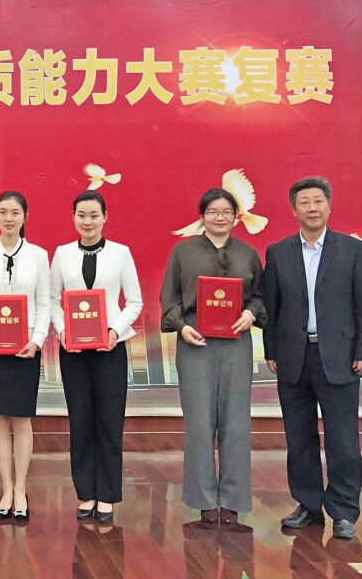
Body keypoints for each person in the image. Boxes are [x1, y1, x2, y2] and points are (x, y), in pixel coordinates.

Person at [262, 176, 362, 540]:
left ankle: (344, 511)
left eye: (318, 201)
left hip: (341, 357)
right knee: (299, 437)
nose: (312, 208)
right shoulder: (278, 252)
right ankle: (308, 505)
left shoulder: (353, 250)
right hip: (293, 358)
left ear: (329, 206)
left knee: (343, 439)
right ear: (294, 210)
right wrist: (271, 351)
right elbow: (271, 308)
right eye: (304, 202)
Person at [160, 188, 267, 526]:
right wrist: (182, 327)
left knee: (236, 420)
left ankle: (233, 499)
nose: (220, 217)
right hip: (195, 341)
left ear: (236, 217)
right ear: (201, 216)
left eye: (226, 212)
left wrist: (250, 313)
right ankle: (203, 499)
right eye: (212, 212)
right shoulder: (183, 251)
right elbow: (169, 298)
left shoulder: (248, 254)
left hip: (237, 342)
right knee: (199, 420)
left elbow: (260, 296)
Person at [50, 190, 142, 524]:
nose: (87, 221)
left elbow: (134, 301)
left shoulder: (120, 253)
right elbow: (53, 299)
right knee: (81, 420)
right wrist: (63, 331)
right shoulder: (62, 254)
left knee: (109, 420)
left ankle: (108, 494)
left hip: (110, 349)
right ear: (73, 217)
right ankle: (86, 492)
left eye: (94, 215)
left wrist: (115, 331)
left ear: (105, 217)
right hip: (74, 351)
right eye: (81, 215)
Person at [0, 191, 50, 522]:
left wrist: (37, 340)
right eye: (3, 212)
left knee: (21, 418)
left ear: (25, 217)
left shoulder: (39, 255)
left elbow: (44, 303)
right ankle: (6, 488)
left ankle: (21, 489)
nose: (8, 218)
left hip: (25, 348)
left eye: (15, 212)